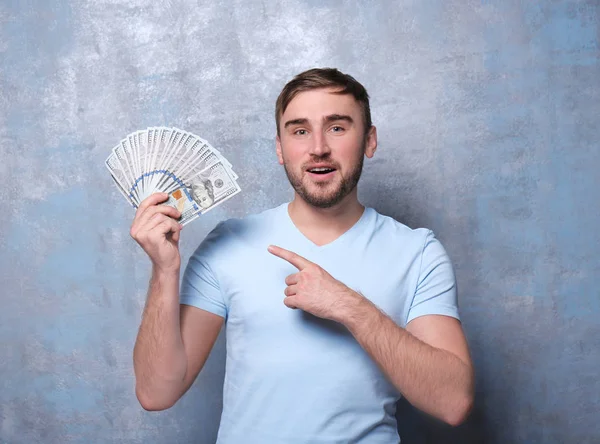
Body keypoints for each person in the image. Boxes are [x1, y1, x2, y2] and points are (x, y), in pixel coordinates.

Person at [130, 68, 475, 443]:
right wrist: (164, 270)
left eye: (337, 127)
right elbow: (156, 393)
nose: (318, 148)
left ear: (370, 141)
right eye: (299, 131)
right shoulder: (227, 245)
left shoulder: (417, 253)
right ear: (280, 148)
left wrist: (349, 306)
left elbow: (452, 402)